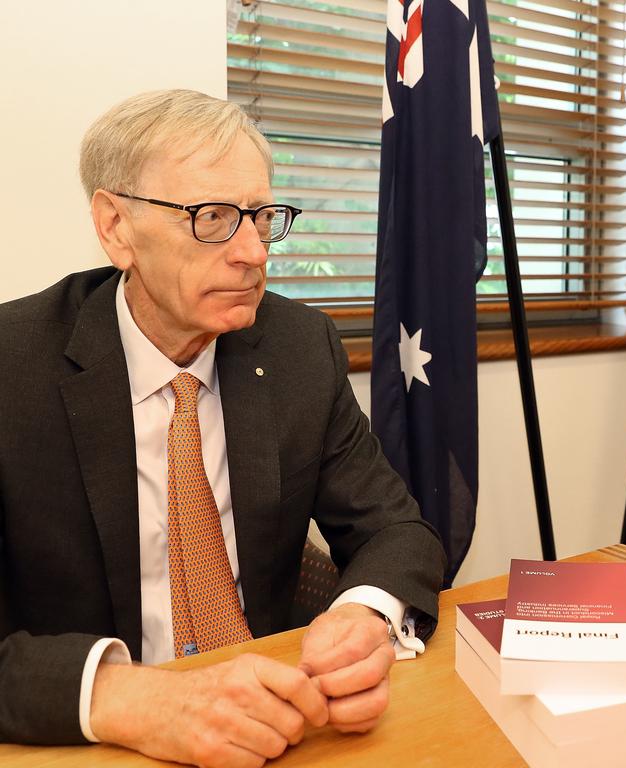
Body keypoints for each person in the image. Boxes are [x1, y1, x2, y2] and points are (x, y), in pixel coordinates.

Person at [0, 89, 446, 764]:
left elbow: (395, 529)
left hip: (275, 728)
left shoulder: (299, 347)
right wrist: (133, 698)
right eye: (211, 218)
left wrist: (365, 617)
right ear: (115, 226)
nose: (253, 253)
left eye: (262, 217)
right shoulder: (13, 367)